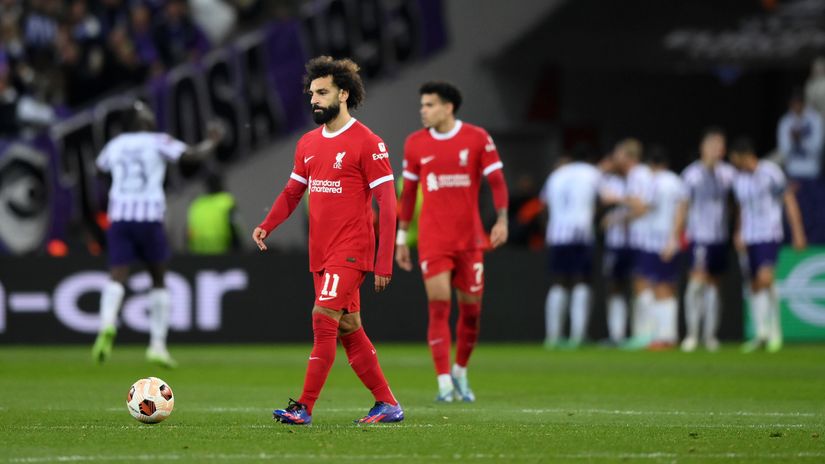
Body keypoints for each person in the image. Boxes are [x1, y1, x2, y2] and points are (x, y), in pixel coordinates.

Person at [252, 56, 403, 425]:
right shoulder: (307, 143)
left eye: (322, 93)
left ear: (344, 94)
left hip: (351, 250)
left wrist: (384, 261)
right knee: (349, 328)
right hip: (321, 252)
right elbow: (292, 192)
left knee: (323, 318)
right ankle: (388, 404)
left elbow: (388, 202)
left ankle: (302, 407)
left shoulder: (368, 143)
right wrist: (267, 225)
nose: (314, 100)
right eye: (311, 94)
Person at [396, 81, 509, 402]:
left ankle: (460, 371)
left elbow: (497, 181)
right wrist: (402, 238)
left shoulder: (477, 138)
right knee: (439, 306)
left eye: (429, 105)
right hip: (433, 240)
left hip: (470, 240)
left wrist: (501, 219)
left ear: (448, 107)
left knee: (471, 313)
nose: (423, 111)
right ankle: (444, 382)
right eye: (422, 105)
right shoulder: (415, 143)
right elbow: (408, 196)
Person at [91, 100, 222, 367]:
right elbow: (191, 156)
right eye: (146, 112)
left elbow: (98, 169)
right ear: (141, 120)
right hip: (149, 217)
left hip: (119, 217)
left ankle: (106, 324)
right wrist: (213, 141)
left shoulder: (114, 145)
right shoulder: (158, 140)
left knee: (117, 274)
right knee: (158, 278)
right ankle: (157, 345)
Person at [729, 137, 806, 353]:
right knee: (753, 285)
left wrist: (798, 232)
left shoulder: (771, 172)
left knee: (765, 278)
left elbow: (789, 200)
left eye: (735, 158)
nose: (734, 162)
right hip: (749, 236)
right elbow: (741, 208)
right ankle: (760, 333)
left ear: (745, 156)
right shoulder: (739, 179)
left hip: (769, 233)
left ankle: (775, 331)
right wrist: (737, 232)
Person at [675, 128, 736, 352]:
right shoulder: (691, 175)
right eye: (713, 146)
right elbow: (682, 206)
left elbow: (735, 204)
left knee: (714, 287)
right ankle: (692, 334)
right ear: (704, 148)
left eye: (721, 147)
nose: (717, 151)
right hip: (699, 236)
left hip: (719, 237)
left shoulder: (729, 174)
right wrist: (675, 236)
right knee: (696, 284)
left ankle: (710, 335)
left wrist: (736, 229)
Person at [540, 145, 601, 349]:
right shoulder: (592, 173)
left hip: (557, 234)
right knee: (581, 281)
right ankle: (578, 335)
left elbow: (544, 204)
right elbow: (606, 196)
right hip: (581, 233)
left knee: (558, 282)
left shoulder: (556, 174)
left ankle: (552, 336)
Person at [631, 147, 687, 350]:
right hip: (671, 240)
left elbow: (643, 207)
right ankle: (667, 335)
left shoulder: (654, 182)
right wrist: (675, 237)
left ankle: (665, 337)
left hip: (656, 241)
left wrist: (622, 206)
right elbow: (683, 209)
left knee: (659, 288)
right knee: (669, 287)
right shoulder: (676, 181)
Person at [598, 155, 632, 345]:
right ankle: (616, 334)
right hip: (615, 242)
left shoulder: (638, 177)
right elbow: (597, 185)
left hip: (637, 241)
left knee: (638, 286)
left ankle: (638, 333)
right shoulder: (608, 180)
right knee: (614, 287)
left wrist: (620, 200)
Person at [187, 171, 241, 254]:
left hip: (198, 256)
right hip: (223, 255)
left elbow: (188, 234)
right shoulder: (227, 201)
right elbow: (235, 230)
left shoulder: (196, 204)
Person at [777, 90, 823, 180]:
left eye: (799, 102)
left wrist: (801, 139)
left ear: (803, 103)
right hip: (793, 171)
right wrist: (792, 139)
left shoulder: (815, 119)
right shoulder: (785, 122)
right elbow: (784, 151)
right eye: (794, 103)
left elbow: (817, 149)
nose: (796, 106)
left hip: (811, 171)